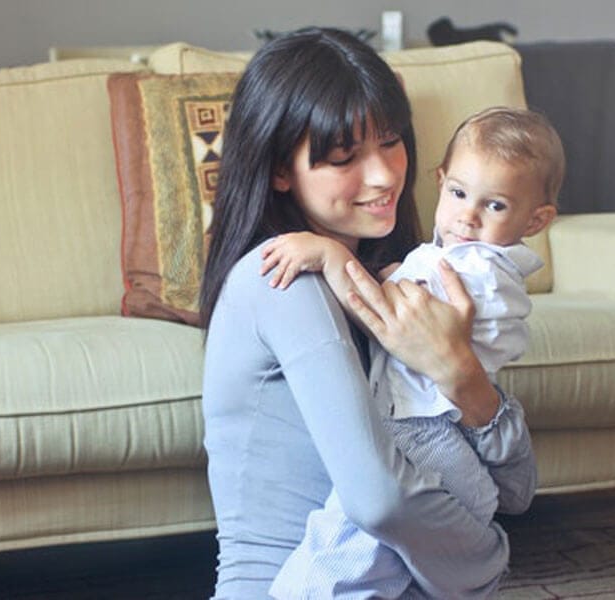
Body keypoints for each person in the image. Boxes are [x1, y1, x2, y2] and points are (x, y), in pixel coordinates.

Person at [200, 27, 538, 599]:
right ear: (282, 171)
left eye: (390, 141)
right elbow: (379, 499)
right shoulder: (281, 277)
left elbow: (518, 488)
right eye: (343, 157)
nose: (383, 175)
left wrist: (459, 371)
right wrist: (488, 561)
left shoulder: (406, 282)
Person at [261, 107, 563, 598]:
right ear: (441, 182)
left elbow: (385, 319)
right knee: (384, 563)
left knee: (343, 541)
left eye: (496, 206)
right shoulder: (460, 260)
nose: (468, 215)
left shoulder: (476, 269)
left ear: (537, 219)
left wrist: (332, 254)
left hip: (421, 429)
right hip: (443, 433)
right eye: (459, 193)